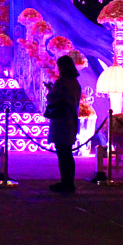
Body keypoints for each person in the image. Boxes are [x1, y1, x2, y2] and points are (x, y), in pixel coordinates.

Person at [45, 55, 82, 193]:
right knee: (67, 153)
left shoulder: (62, 83)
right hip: (71, 119)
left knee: (63, 154)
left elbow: (53, 99)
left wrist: (50, 91)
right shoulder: (75, 83)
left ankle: (66, 183)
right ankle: (68, 182)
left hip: (61, 121)